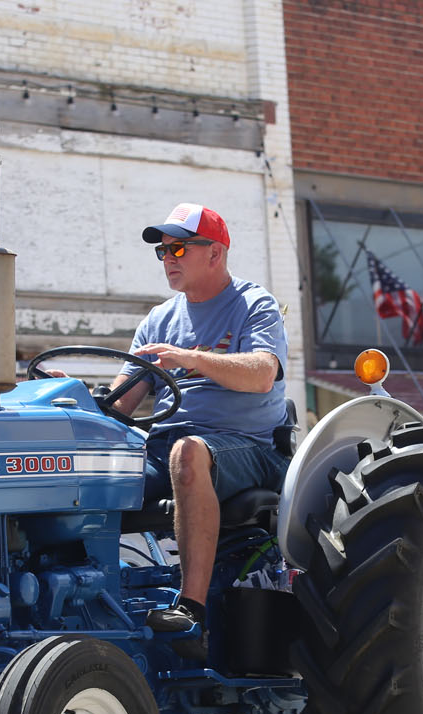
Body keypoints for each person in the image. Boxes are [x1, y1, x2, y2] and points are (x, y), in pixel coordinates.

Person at [110, 203, 291, 655]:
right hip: (167, 448)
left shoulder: (254, 304)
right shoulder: (158, 320)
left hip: (248, 448)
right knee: (93, 473)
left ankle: (192, 611)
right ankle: (93, 599)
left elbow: (262, 374)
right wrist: (69, 396)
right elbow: (119, 405)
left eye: (178, 248)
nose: (167, 258)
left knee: (188, 453)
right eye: (162, 251)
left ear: (215, 253)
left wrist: (192, 358)